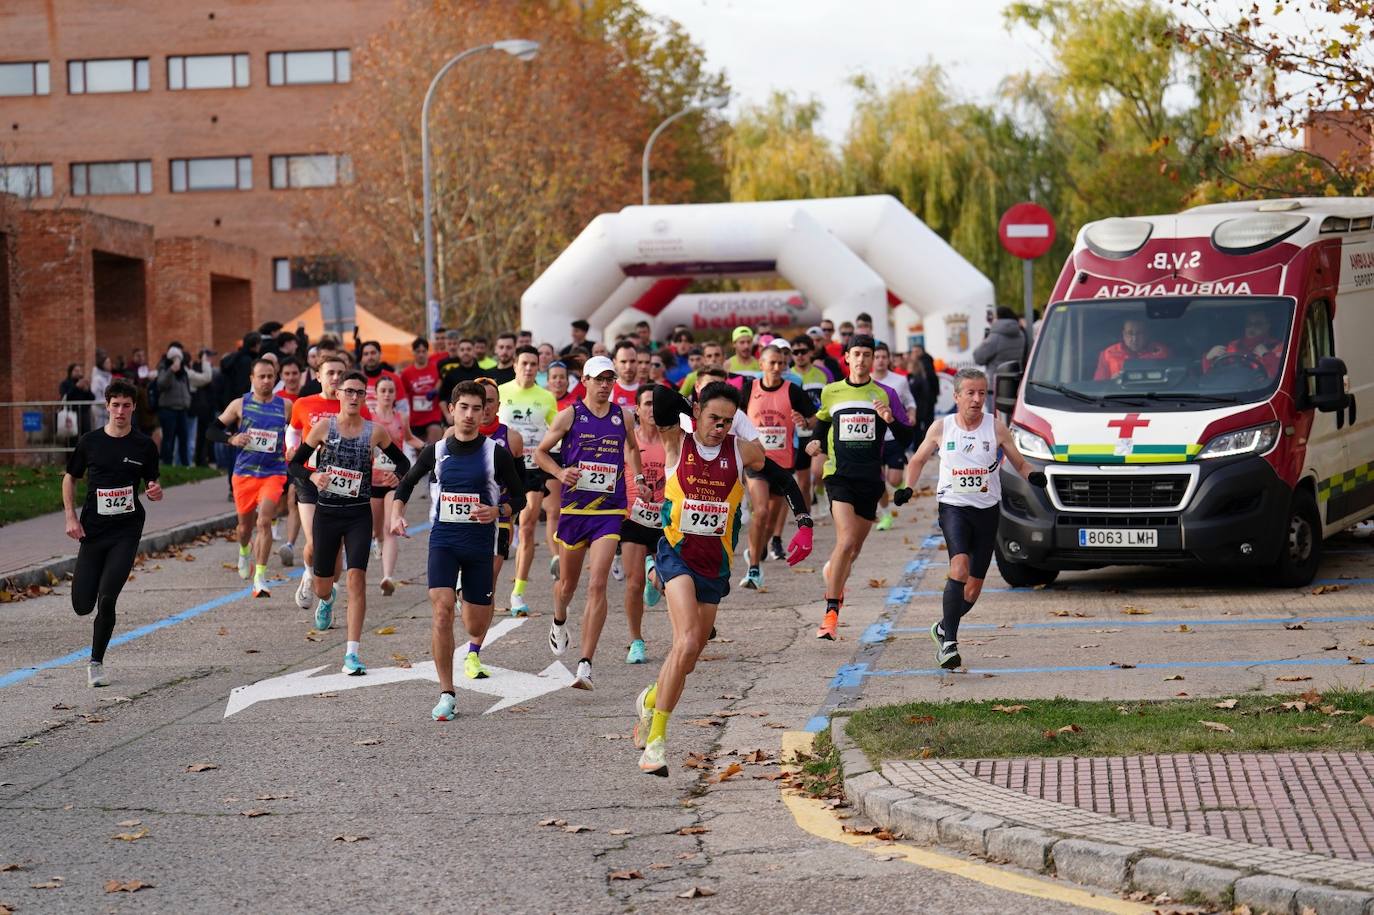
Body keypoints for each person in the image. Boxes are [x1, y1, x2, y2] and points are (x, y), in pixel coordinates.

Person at [632, 381, 814, 775]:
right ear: (697, 412)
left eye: (727, 421)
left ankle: (649, 700)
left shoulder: (741, 450)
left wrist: (804, 522)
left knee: (687, 659)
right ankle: (656, 744)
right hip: (676, 554)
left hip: (714, 564)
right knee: (686, 641)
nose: (720, 427)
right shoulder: (676, 441)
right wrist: (691, 405)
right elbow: (660, 398)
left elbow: (783, 479)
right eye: (713, 417)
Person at [392, 382, 526, 719]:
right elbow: (406, 483)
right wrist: (397, 514)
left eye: (476, 409)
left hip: (480, 546)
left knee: (474, 626)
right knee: (441, 610)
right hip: (444, 542)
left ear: (485, 412)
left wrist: (498, 510)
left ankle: (468, 592)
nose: (469, 414)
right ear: (452, 410)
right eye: (463, 407)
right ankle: (447, 693)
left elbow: (520, 497)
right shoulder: (436, 451)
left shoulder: (495, 454)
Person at [895, 368, 1046, 668]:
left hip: (987, 511)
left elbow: (1019, 463)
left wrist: (1034, 476)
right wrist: (907, 488)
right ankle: (949, 645)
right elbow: (918, 459)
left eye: (982, 393)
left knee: (973, 588)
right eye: (970, 393)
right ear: (956, 396)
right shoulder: (942, 428)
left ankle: (942, 628)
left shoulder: (996, 428)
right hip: (954, 507)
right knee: (959, 566)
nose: (977, 399)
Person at [533, 355, 642, 690]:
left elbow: (632, 449)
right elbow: (540, 452)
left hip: (608, 511)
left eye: (610, 379)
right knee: (567, 586)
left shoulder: (623, 416)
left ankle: (585, 664)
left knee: (597, 584)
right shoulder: (570, 415)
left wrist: (638, 477)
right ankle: (559, 618)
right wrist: (559, 472)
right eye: (599, 379)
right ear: (585, 381)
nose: (605, 385)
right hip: (575, 510)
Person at [289, 371, 409, 675]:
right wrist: (314, 475)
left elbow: (404, 462)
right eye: (349, 391)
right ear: (339, 393)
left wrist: (397, 477)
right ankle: (327, 599)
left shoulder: (375, 431)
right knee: (322, 586)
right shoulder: (324, 428)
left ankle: (351, 653)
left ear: (365, 397)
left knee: (357, 579)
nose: (354, 397)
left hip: (358, 515)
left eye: (360, 392)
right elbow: (294, 464)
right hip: (327, 514)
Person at [806, 334, 912, 640]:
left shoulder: (886, 393)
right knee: (846, 539)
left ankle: (834, 575)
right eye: (857, 354)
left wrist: (890, 419)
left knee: (853, 550)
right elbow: (823, 423)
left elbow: (907, 438)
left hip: (870, 480)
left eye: (868, 354)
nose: (862, 359)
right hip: (838, 475)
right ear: (847, 358)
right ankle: (830, 614)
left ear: (874, 359)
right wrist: (815, 441)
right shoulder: (832, 391)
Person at [62, 380, 163, 687]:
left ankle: (96, 663)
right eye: (115, 405)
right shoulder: (90, 442)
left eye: (126, 405)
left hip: (126, 531)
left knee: (107, 598)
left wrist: (155, 491)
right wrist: (70, 517)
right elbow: (70, 478)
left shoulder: (144, 446)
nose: (120, 411)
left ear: (134, 408)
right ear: (107, 406)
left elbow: (152, 483)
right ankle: (88, 591)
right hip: (93, 531)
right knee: (82, 605)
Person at [287, 354, 369, 611]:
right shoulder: (303, 403)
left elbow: (369, 438)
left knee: (336, 548)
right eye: (329, 373)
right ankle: (308, 574)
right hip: (310, 478)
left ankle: (327, 597)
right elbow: (293, 429)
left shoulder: (355, 403)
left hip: (341, 483)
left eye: (339, 373)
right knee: (315, 541)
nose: (335, 377)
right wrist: (291, 447)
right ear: (318, 376)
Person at [208, 358, 289, 598]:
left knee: (264, 521)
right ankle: (244, 550)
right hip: (244, 474)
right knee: (245, 527)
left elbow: (299, 431)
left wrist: (294, 448)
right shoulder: (239, 404)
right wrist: (231, 439)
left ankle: (260, 578)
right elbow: (211, 430)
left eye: (270, 376)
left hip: (273, 473)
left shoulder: (286, 406)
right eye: (261, 376)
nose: (266, 381)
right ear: (252, 378)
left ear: (275, 378)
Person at [739, 345, 817, 588]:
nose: (776, 367)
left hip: (783, 463)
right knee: (760, 511)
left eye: (781, 363)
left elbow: (815, 417)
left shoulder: (792, 390)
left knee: (771, 521)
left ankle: (758, 548)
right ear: (761, 364)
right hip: (756, 461)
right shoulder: (749, 389)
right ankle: (753, 569)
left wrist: (805, 422)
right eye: (771, 363)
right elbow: (736, 419)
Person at [499, 346, 558, 617]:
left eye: (533, 364)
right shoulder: (501, 392)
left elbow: (555, 430)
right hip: (503, 468)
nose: (528, 368)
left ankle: (518, 592)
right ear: (515, 365)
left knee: (527, 526)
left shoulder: (546, 397)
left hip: (533, 469)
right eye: (524, 363)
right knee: (501, 528)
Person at [620, 387, 666, 664]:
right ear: (636, 409)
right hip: (633, 517)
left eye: (657, 404)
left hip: (665, 518)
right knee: (633, 583)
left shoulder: (673, 440)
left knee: (670, 581)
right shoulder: (629, 440)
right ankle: (636, 641)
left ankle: (654, 574)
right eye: (647, 404)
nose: (652, 409)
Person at [369, 376, 423, 596]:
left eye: (391, 391)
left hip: (395, 479)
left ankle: (387, 578)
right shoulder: (369, 418)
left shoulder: (401, 417)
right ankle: (377, 540)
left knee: (390, 527)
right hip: (372, 481)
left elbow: (409, 439)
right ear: (376, 393)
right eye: (383, 390)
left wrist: (430, 448)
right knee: (376, 529)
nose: (387, 394)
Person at [477, 377, 523, 617]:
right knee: (470, 588)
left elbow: (521, 489)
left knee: (487, 584)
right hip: (463, 519)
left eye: (490, 401)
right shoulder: (453, 436)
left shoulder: (511, 438)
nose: (485, 407)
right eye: (480, 401)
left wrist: (506, 508)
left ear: (498, 405)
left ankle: (478, 641)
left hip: (499, 519)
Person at [872, 342, 918, 531]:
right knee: (878, 481)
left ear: (889, 359)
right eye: (877, 357)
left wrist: (912, 414)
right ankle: (886, 515)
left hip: (894, 436)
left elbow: (910, 401)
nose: (880, 360)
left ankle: (899, 484)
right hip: (874, 439)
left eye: (884, 357)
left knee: (893, 479)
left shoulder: (899, 380)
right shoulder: (865, 382)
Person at [1203, 309, 1285, 378]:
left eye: (1258, 324)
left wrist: (1267, 355)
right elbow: (1211, 376)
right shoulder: (1234, 345)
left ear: (1267, 326)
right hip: (1234, 388)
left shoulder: (1277, 347)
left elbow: (1281, 376)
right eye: (1249, 323)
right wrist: (1208, 358)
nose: (1252, 327)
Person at [1094, 317, 1171, 381]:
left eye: (1139, 333)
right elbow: (1099, 385)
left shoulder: (1162, 352)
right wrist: (1112, 382)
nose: (1134, 339)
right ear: (1124, 334)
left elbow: (1172, 380)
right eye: (1130, 333)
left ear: (1147, 334)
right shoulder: (1108, 353)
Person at [156, 345, 194, 465]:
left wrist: (188, 401)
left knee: (184, 438)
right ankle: (167, 463)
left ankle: (185, 464)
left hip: (182, 409)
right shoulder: (164, 368)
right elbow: (161, 384)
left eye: (179, 358)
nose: (177, 361)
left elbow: (186, 387)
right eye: (175, 358)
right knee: (169, 439)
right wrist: (171, 370)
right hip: (168, 409)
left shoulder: (183, 372)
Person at [401, 339, 444, 443]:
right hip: (414, 419)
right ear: (413, 352)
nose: (421, 354)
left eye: (424, 351)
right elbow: (402, 395)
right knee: (420, 450)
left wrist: (436, 390)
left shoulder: (435, 368)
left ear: (427, 352)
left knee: (433, 444)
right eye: (418, 351)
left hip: (433, 415)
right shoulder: (406, 373)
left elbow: (441, 382)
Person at [358, 340, 407, 415]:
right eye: (366, 354)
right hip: (362, 421)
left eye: (373, 353)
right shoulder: (356, 379)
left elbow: (402, 407)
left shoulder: (394, 378)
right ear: (362, 358)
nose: (370, 357)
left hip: (388, 421)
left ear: (380, 354)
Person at [438, 339, 486, 408]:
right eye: (462, 350)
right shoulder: (450, 374)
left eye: (468, 349)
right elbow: (442, 398)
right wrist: (447, 413)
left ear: (474, 351)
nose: (465, 352)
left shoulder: (483, 374)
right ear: (458, 352)